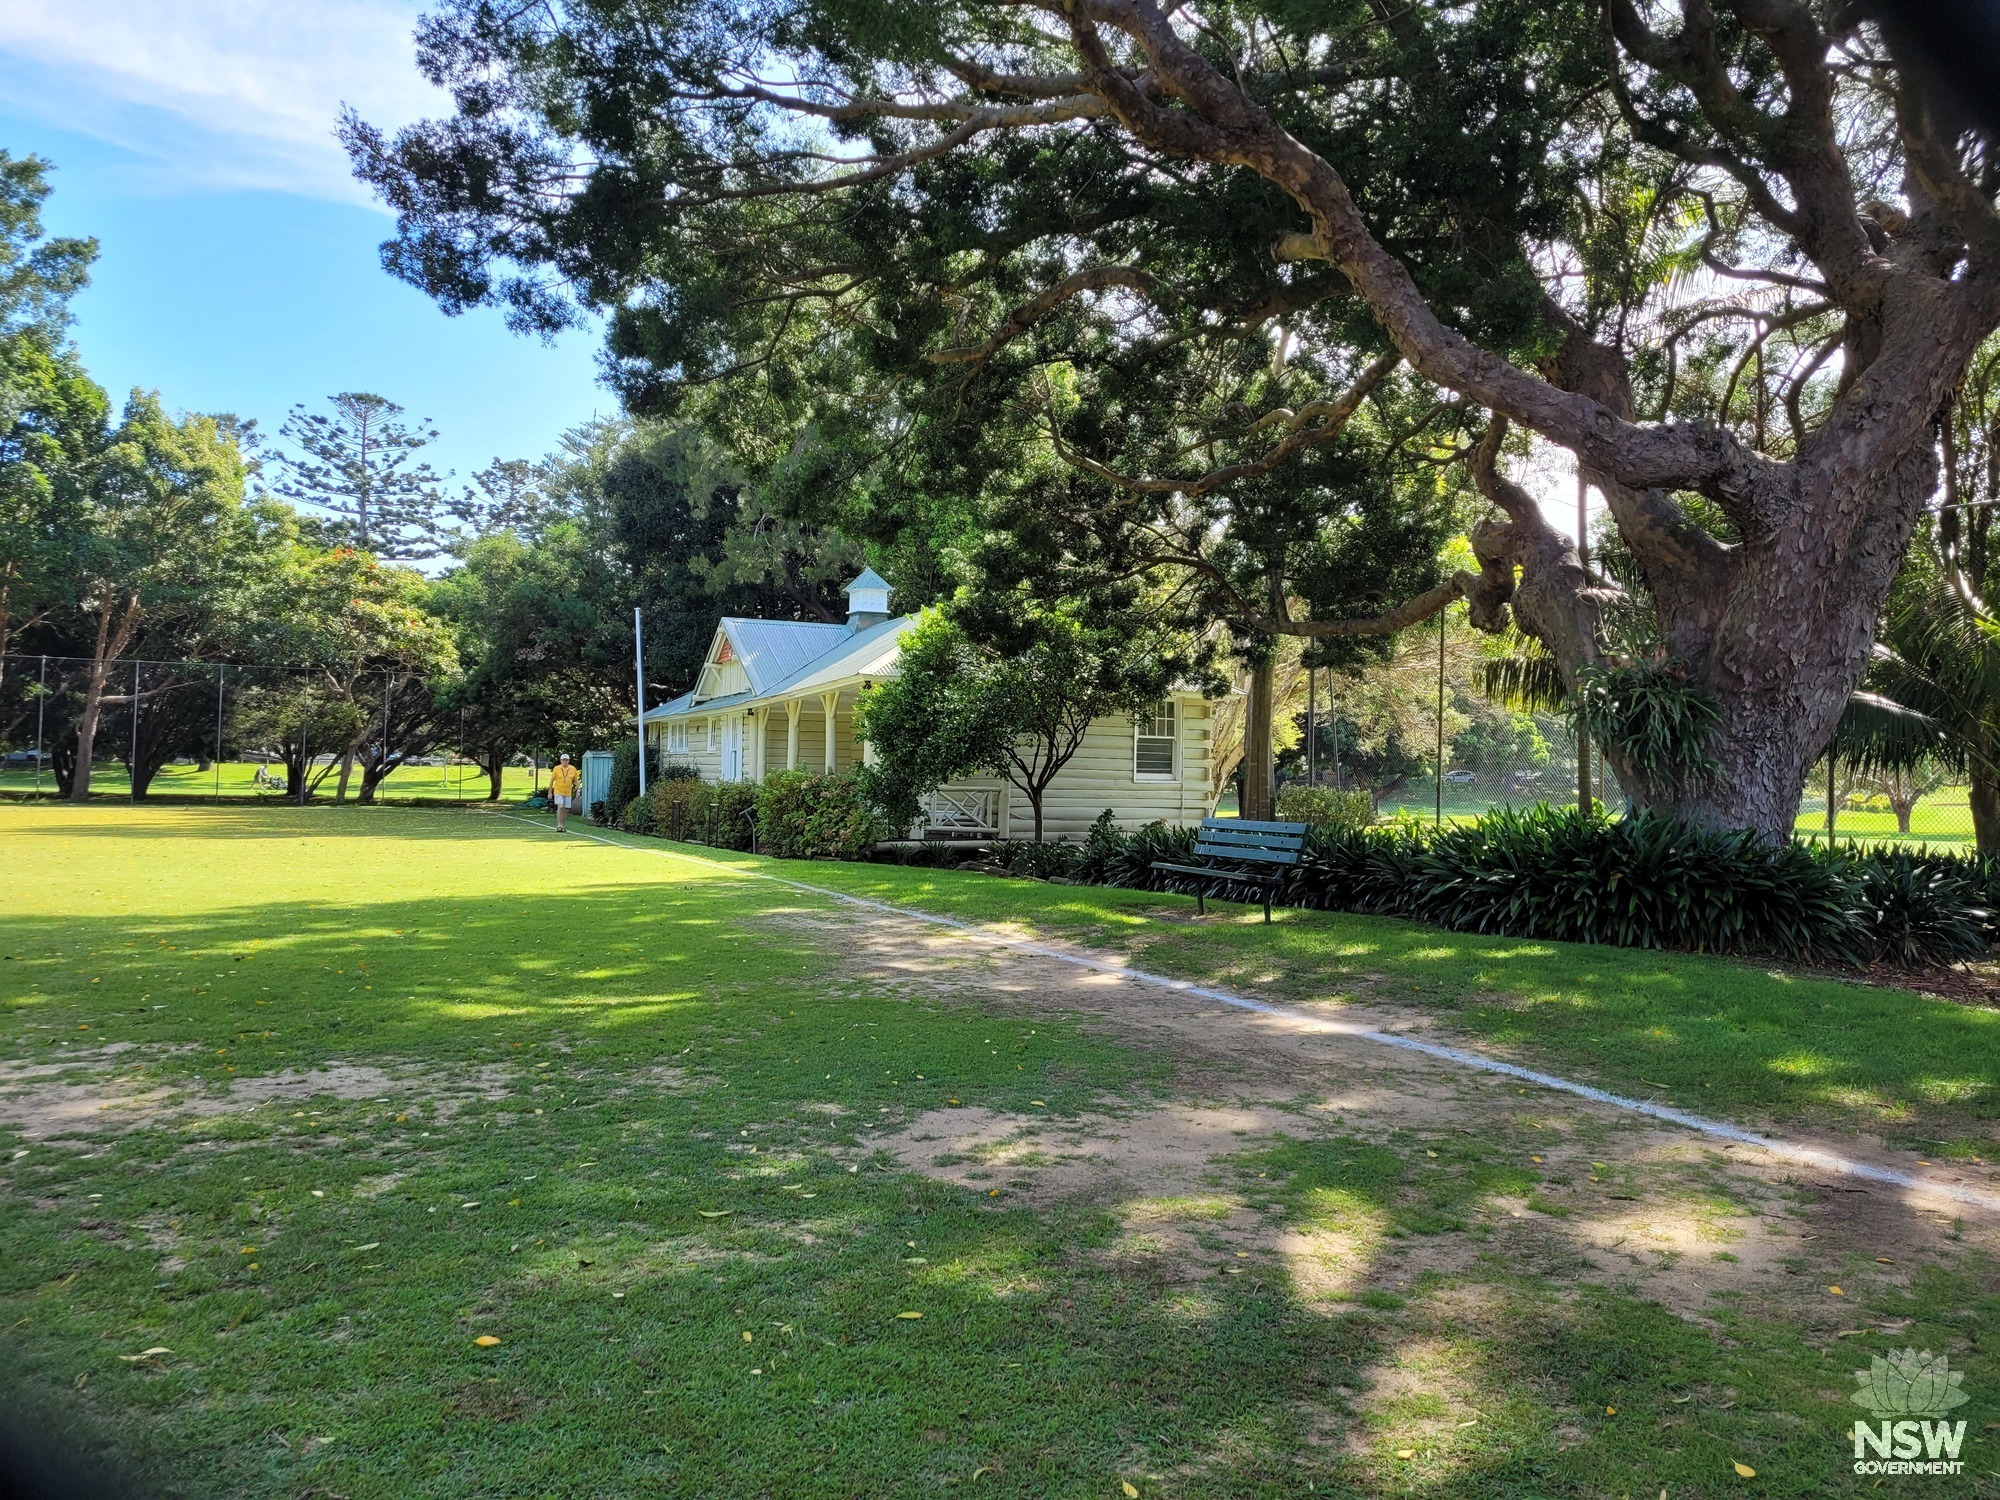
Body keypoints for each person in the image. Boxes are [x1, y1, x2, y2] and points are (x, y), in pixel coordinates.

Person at [548, 752, 582, 831]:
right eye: (563, 760)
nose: (565, 761)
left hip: (567, 792)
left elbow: (576, 781)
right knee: (560, 806)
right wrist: (550, 792)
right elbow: (551, 781)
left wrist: (578, 790)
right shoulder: (556, 768)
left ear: (568, 761)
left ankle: (562, 825)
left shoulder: (573, 769)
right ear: (561, 760)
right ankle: (559, 825)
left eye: (566, 760)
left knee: (565, 809)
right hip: (558, 790)